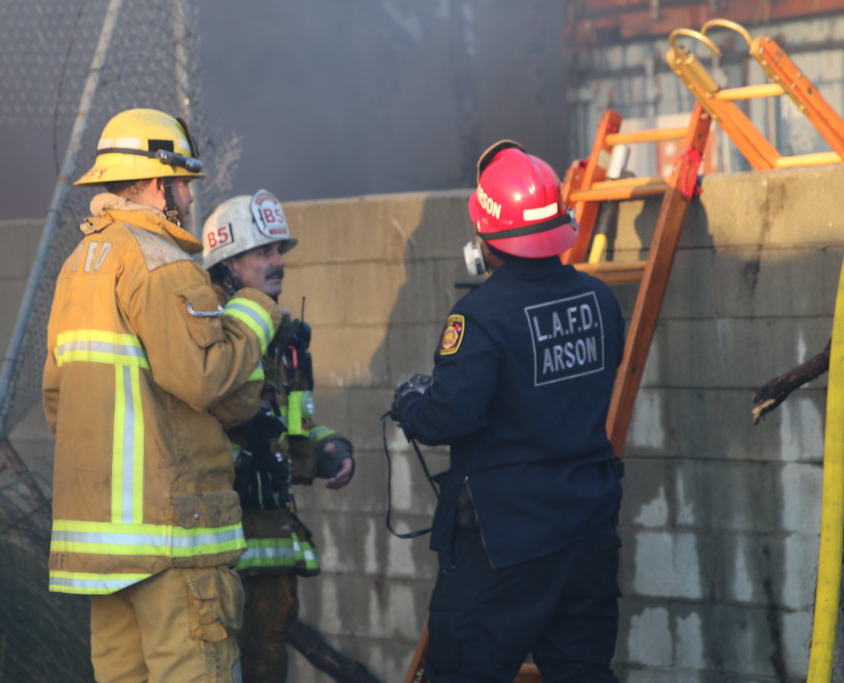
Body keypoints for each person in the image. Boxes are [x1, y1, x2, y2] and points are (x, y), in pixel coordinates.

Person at [42, 108, 282, 683]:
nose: (190, 199)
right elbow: (208, 381)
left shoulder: (78, 267)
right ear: (156, 184)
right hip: (174, 542)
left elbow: (57, 400)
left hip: (104, 552)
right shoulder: (161, 262)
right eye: (184, 185)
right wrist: (253, 314)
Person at [391, 140, 625, 682]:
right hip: (588, 533)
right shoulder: (600, 299)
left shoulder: (480, 315)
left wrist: (410, 404)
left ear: (487, 239)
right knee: (583, 672)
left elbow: (447, 419)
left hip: (505, 544)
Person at [201, 189, 355, 683]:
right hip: (215, 539)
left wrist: (329, 451)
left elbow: (298, 427)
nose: (277, 262)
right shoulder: (206, 334)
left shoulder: (286, 343)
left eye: (279, 251)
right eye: (262, 252)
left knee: (268, 658)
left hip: (269, 539)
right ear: (226, 264)